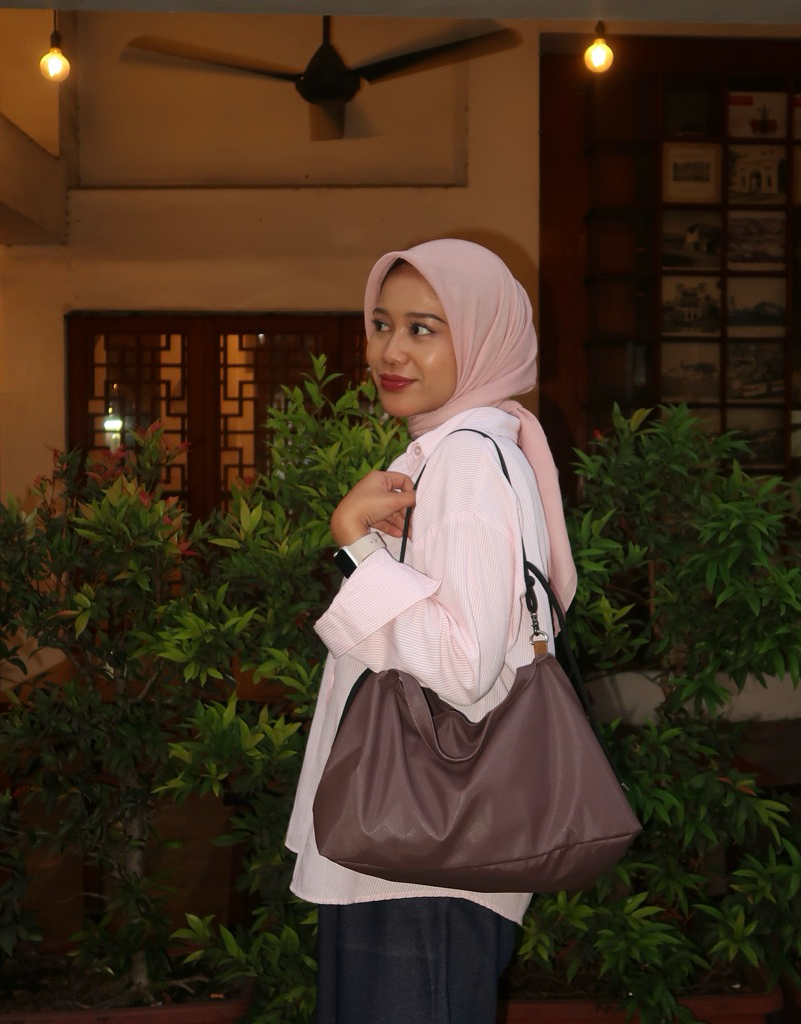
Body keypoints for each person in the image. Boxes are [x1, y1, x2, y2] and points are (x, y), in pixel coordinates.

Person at [285, 238, 577, 1024]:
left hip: (419, 855)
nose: (390, 351)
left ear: (481, 335)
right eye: (382, 324)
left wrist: (355, 546)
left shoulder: (468, 463)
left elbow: (462, 663)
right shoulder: (466, 449)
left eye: (423, 328)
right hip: (418, 845)